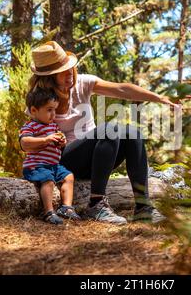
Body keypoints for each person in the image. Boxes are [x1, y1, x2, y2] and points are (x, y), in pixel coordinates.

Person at [21, 41, 181, 225]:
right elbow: (31, 134)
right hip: (61, 162)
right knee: (110, 129)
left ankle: (144, 208)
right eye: (62, 72)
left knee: (132, 133)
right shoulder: (40, 98)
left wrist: (159, 98)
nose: (69, 74)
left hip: (98, 159)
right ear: (50, 77)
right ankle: (96, 205)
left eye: (70, 68)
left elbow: (122, 89)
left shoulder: (82, 83)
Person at [20, 87, 81, 225]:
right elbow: (25, 142)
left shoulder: (53, 127)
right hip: (36, 166)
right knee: (48, 180)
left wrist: (61, 142)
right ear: (34, 110)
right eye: (49, 110)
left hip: (54, 165)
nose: (53, 114)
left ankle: (66, 207)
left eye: (55, 110)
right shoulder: (31, 126)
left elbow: (58, 144)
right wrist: (46, 139)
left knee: (69, 177)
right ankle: (48, 212)